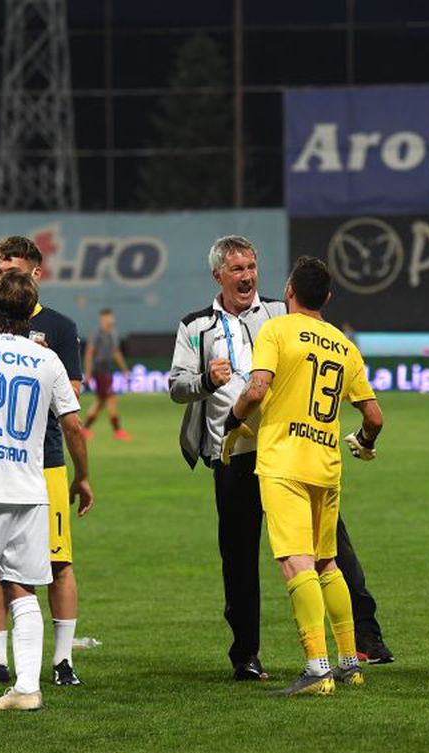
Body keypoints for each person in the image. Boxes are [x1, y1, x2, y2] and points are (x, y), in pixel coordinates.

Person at [169, 236, 395, 683]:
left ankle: (366, 641)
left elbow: (287, 365)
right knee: (239, 556)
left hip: (283, 448)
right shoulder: (195, 326)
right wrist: (204, 380)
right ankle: (247, 655)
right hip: (235, 456)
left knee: (331, 550)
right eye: (237, 268)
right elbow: (176, 387)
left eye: (252, 266)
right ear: (218, 274)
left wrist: (238, 416)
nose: (248, 276)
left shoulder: (278, 316)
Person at [221, 256, 383, 697]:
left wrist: (232, 422)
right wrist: (365, 442)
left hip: (285, 463)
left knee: (296, 562)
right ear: (327, 298)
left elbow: (255, 390)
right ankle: (350, 663)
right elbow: (373, 415)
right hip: (327, 465)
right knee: (328, 562)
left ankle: (316, 668)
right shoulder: (344, 345)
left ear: (289, 291)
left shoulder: (276, 329)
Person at [0, 271, 92, 711]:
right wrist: (82, 477)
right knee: (23, 588)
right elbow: (73, 425)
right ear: (31, 312)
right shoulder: (47, 361)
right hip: (30, 488)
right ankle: (28, 686)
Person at [83, 308, 130, 440]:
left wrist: (124, 369)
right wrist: (88, 372)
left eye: (110, 317)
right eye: (106, 317)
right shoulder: (97, 333)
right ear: (102, 318)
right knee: (111, 399)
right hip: (99, 370)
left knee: (101, 402)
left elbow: (116, 352)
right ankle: (118, 431)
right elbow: (89, 353)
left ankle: (84, 429)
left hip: (107, 371)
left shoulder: (113, 333)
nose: (109, 319)